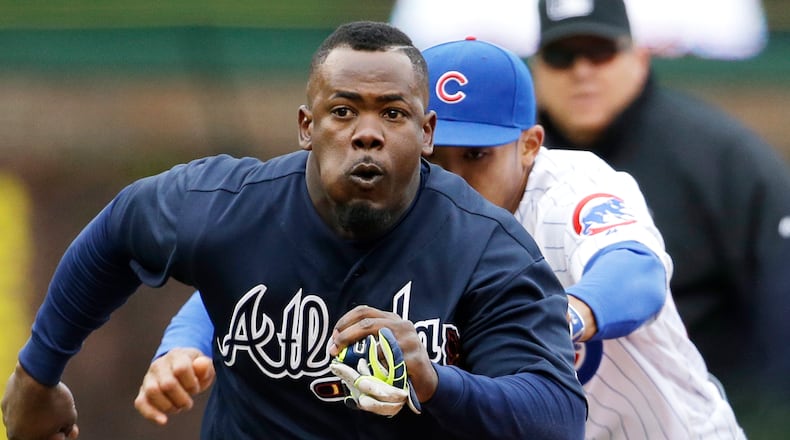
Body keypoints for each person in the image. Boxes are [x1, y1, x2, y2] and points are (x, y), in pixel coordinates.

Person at [0, 21, 587, 440]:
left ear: (427, 132)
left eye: (393, 113)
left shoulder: (486, 245)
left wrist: (437, 383)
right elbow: (119, 230)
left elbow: (557, 414)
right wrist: (36, 376)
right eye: (343, 110)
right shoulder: (229, 205)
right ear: (307, 127)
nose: (367, 133)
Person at [137, 38, 746, 439]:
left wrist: (566, 313)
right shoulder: (394, 207)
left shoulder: (572, 186)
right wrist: (182, 345)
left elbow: (635, 270)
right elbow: (259, 274)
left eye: (477, 155)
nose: (451, 176)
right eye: (438, 154)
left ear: (530, 145)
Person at [531, 0, 790, 429]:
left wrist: (767, 415)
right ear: (537, 68)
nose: (581, 71)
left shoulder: (718, 153)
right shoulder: (506, 160)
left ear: (640, 56)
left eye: (600, 52)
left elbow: (780, 293)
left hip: (694, 413)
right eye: (562, 56)